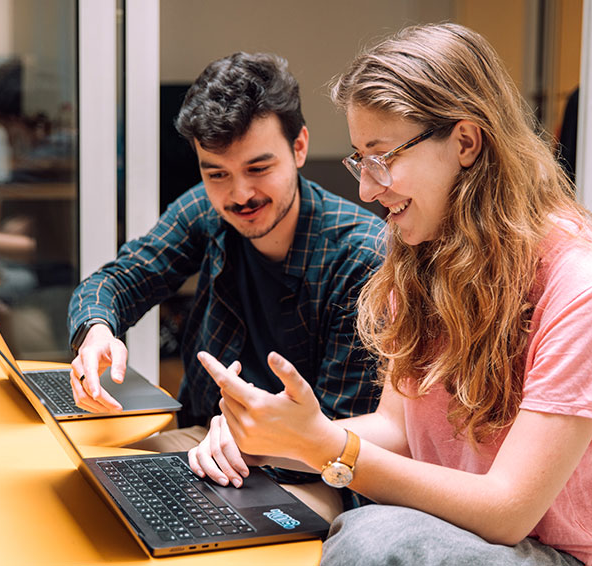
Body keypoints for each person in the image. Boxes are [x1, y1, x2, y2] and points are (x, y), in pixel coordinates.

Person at [196, 24, 592, 566]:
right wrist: (279, 436)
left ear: (465, 142)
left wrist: (326, 447)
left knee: (372, 537)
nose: (366, 189)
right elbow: (398, 429)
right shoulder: (422, 255)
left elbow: (508, 511)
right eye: (359, 160)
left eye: (381, 157)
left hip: (561, 554)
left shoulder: (587, 286)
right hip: (461, 531)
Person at [67, 52, 385, 522]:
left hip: (308, 468)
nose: (238, 195)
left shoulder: (360, 257)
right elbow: (119, 279)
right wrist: (96, 330)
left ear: (299, 147)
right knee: (86, 487)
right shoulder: (208, 210)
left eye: (259, 168)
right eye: (216, 173)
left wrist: (255, 443)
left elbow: (343, 432)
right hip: (206, 441)